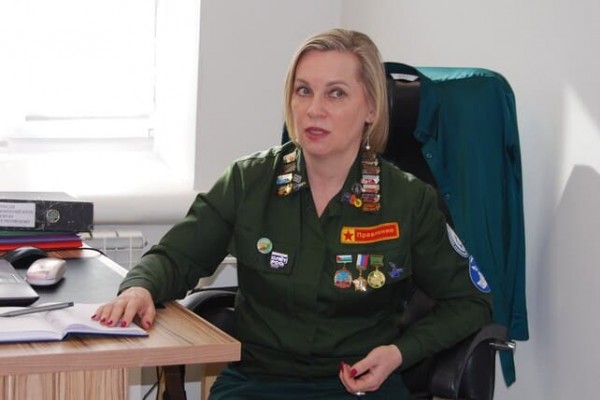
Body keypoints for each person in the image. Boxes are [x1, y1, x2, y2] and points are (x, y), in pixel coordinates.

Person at [93, 28, 492, 399]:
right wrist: (139, 289)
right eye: (304, 91)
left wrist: (400, 352)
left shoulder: (409, 201)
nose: (314, 109)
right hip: (257, 383)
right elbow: (177, 256)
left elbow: (470, 302)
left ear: (371, 107)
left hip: (361, 385)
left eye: (336, 94)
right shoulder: (248, 182)